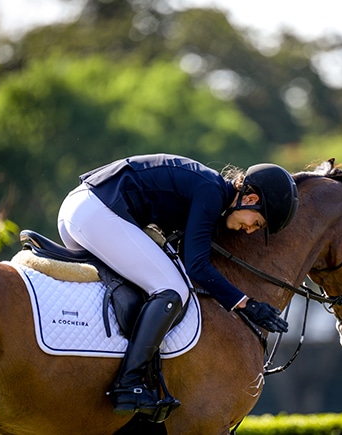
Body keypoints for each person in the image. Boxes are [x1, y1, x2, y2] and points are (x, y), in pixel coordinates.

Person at [57, 153, 298, 415]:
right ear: (250, 200)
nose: (250, 230)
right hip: (95, 211)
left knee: (152, 282)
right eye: (257, 223)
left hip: (83, 209)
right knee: (172, 290)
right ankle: (128, 384)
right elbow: (197, 266)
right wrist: (246, 304)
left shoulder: (211, 190)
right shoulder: (211, 192)